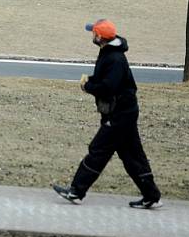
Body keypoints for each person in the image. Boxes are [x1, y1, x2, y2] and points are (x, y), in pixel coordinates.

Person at [53, 19, 162, 209]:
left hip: (119, 115)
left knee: (98, 150)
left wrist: (88, 86)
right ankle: (151, 195)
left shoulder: (115, 59)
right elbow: (107, 80)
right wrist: (92, 80)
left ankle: (76, 191)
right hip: (123, 113)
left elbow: (108, 87)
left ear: (100, 36)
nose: (91, 35)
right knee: (132, 156)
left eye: (93, 32)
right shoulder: (109, 53)